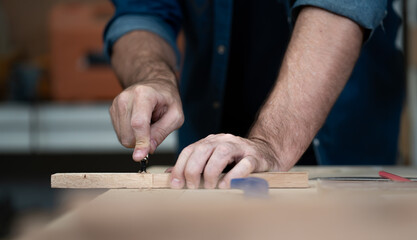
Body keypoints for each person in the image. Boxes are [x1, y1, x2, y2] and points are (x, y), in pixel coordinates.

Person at [104, 0, 405, 189]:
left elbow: (344, 5)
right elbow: (141, 12)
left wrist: (270, 143)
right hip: (206, 162)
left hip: (345, 155)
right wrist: (154, 76)